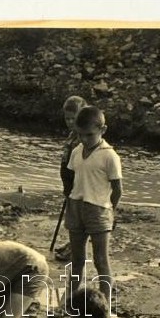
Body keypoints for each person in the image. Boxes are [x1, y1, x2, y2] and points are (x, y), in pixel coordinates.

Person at [64, 105, 122, 297]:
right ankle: (71, 300)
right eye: (81, 135)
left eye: (90, 135)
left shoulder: (109, 156)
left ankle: (105, 305)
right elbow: (73, 178)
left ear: (102, 131)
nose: (85, 139)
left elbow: (118, 189)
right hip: (76, 207)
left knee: (101, 261)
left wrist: (110, 211)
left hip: (99, 210)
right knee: (77, 259)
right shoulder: (76, 151)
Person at [54, 95, 88, 262]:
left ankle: (75, 248)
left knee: (77, 219)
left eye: (72, 119)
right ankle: (72, 244)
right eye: (66, 118)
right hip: (69, 181)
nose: (69, 122)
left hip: (78, 183)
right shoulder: (72, 135)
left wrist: (74, 184)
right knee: (71, 216)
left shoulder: (84, 139)